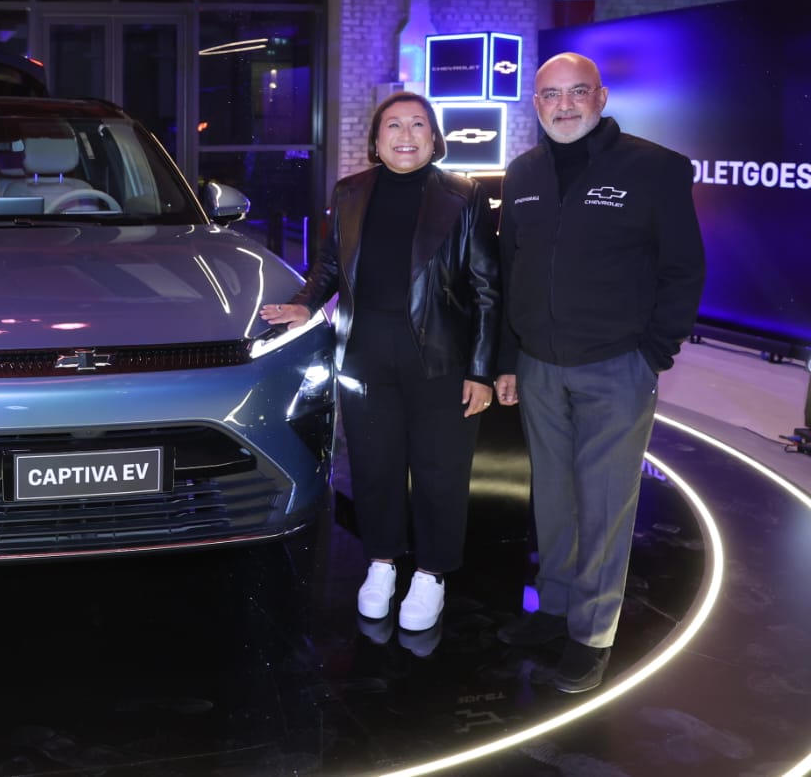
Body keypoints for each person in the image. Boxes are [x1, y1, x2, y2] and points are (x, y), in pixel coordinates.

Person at [493, 51, 705, 693]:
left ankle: (592, 633)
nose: (563, 105)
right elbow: (510, 271)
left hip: (617, 366)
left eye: (577, 92)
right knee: (553, 499)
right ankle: (555, 606)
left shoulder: (655, 169)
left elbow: (683, 270)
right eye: (550, 95)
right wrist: (509, 358)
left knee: (605, 502)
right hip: (538, 366)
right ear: (536, 104)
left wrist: (653, 353)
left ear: (601, 97)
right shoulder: (523, 172)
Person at [262, 92, 499, 636]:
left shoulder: (464, 196)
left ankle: (432, 574)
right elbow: (329, 263)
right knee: (374, 467)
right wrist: (305, 304)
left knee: (440, 473)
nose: (406, 135)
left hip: (441, 360)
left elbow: (488, 288)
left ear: (435, 139)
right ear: (375, 139)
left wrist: (481, 370)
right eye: (394, 125)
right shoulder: (350, 192)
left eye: (418, 124)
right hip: (365, 356)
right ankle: (382, 563)